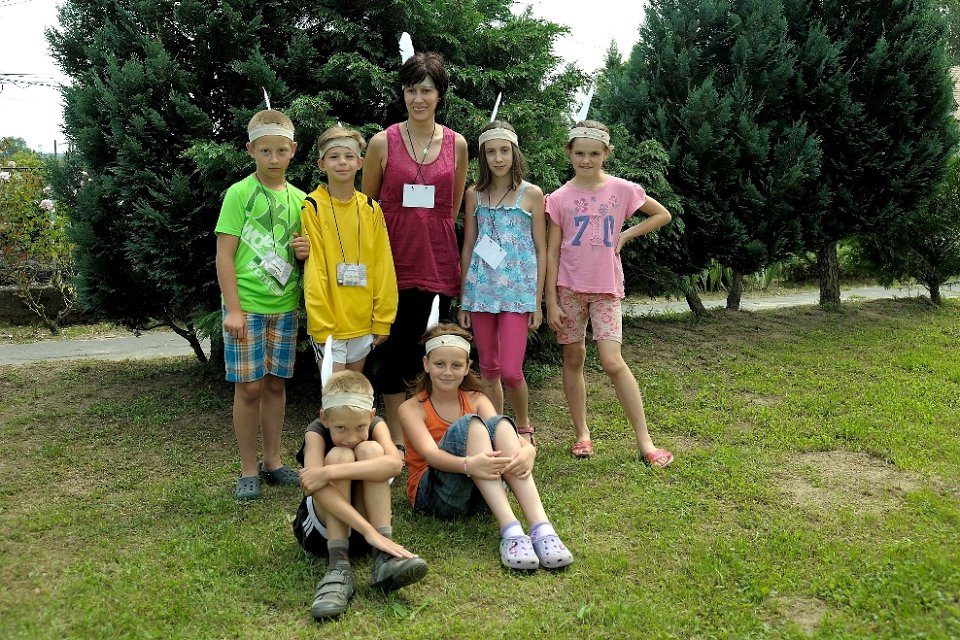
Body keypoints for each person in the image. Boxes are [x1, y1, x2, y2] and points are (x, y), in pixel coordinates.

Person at [545, 119, 674, 466]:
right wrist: (551, 301)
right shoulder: (558, 198)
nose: (586, 160)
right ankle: (582, 434)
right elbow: (552, 252)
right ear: (569, 153)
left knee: (612, 361)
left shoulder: (622, 189)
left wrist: (626, 235)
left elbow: (661, 215)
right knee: (573, 359)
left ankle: (645, 441)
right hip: (569, 290)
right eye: (580, 153)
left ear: (606, 153)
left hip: (606, 289)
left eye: (594, 154)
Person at [399, 323, 573, 571]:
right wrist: (469, 465)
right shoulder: (411, 408)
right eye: (439, 364)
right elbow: (431, 455)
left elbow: (511, 437)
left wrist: (529, 451)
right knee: (472, 424)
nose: (447, 372)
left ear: (467, 367)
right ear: (426, 364)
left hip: (482, 495)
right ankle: (512, 532)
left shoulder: (477, 399)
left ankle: (542, 529)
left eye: (456, 365)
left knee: (499, 423)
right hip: (435, 496)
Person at [363, 51, 469, 449]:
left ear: (440, 94)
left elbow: (451, 209)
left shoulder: (457, 145)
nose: (418, 99)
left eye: (426, 90)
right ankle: (397, 443)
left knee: (429, 353)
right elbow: (367, 208)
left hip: (435, 263)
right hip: (391, 263)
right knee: (394, 355)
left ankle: (426, 436)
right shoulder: (382, 142)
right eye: (411, 90)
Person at [215, 108, 311, 500]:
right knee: (249, 388)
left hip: (284, 307)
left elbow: (305, 256)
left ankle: (273, 462)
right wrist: (234, 309)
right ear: (250, 150)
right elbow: (224, 255)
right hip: (247, 307)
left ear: (293, 150)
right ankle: (248, 469)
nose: (273, 159)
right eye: (265, 151)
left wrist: (305, 251)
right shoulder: (239, 194)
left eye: (281, 151)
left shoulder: (302, 200)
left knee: (274, 385)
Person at [294, 370, 428, 620]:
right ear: (324, 418)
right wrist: (368, 531)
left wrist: (328, 472)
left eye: (360, 427)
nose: (351, 437)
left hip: (373, 536)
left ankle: (384, 559)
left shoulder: (377, 425)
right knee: (340, 455)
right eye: (340, 428)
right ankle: (338, 566)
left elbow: (394, 465)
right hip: (323, 533)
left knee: (371, 450)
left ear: (371, 416)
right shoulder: (315, 432)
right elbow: (313, 485)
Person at [458, 120, 545, 445]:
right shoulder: (474, 195)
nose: (498, 158)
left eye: (504, 150)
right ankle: (497, 428)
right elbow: (469, 245)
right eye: (491, 151)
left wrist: (537, 301)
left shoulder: (531, 194)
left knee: (511, 370)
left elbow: (541, 248)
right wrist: (465, 299)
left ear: (514, 152)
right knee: (489, 369)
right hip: (482, 292)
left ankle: (523, 426)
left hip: (517, 295)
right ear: (483, 156)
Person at [301, 125, 398, 377]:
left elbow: (383, 264)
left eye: (348, 156)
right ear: (321, 164)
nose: (342, 162)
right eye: (334, 157)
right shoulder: (312, 207)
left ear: (359, 162)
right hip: (330, 323)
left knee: (353, 393)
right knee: (335, 394)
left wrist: (383, 318)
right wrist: (321, 323)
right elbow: (315, 270)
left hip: (363, 321)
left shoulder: (371, 208)